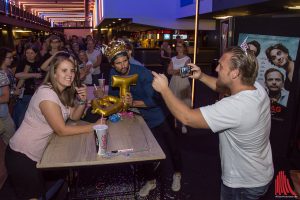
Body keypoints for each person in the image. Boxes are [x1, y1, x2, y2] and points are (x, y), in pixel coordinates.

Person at [152, 46, 274, 200]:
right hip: (260, 171)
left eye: (221, 66)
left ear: (235, 73)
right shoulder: (256, 87)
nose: (216, 68)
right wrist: (201, 76)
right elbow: (226, 87)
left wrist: (164, 90)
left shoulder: (237, 107)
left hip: (243, 184)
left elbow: (187, 117)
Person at [5, 52, 104, 199]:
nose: (70, 74)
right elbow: (61, 130)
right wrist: (94, 126)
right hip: (22, 155)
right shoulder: (47, 94)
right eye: (64, 70)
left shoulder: (61, 92)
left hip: (39, 154)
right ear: (54, 73)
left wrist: (83, 101)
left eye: (72, 70)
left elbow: (73, 116)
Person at [104, 40, 182, 197]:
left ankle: (177, 173)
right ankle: (151, 180)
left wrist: (133, 102)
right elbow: (114, 95)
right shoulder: (113, 74)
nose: (123, 66)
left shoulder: (143, 73)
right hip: (136, 118)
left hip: (157, 115)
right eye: (118, 63)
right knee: (143, 150)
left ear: (129, 57)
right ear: (113, 65)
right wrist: (108, 98)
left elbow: (155, 99)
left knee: (171, 146)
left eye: (125, 61)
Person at [168, 43, 191, 133]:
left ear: (184, 48)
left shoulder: (187, 59)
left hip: (183, 82)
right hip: (173, 82)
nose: (178, 48)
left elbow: (185, 73)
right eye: (177, 46)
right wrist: (179, 70)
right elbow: (169, 71)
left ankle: (183, 124)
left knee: (183, 102)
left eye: (181, 46)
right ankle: (174, 121)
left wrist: (175, 71)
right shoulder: (173, 59)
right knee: (173, 101)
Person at [0, 47, 15, 144]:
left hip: (3, 114)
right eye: (9, 57)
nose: (12, 59)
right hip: (3, 114)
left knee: (11, 141)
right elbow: (6, 97)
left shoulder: (3, 74)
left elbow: (6, 97)